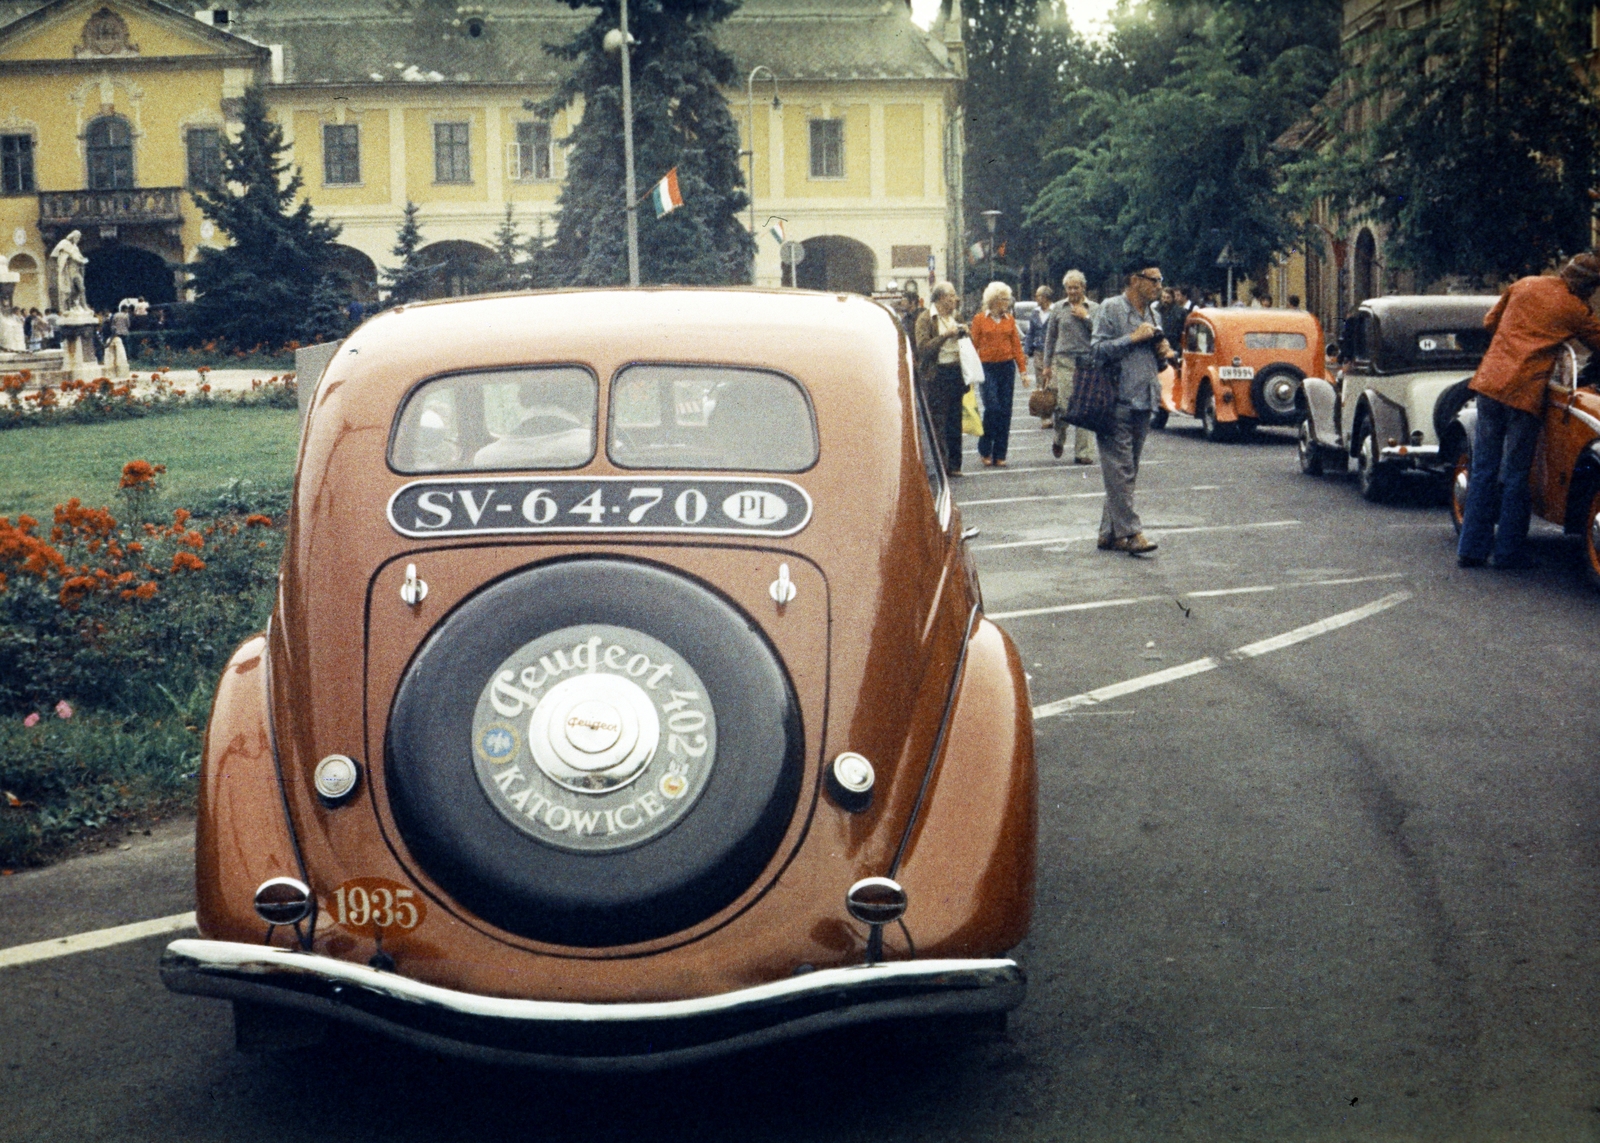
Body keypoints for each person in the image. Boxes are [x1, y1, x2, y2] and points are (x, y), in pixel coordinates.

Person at [1457, 252, 1600, 569]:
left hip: (1490, 383)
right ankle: (1508, 553)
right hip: (1524, 393)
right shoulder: (1576, 310)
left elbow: (1489, 321)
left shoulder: (1525, 285)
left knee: (1483, 468)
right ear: (1587, 287)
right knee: (1516, 474)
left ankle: (1471, 549)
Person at [1091, 260, 1174, 555]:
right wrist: (1132, 338)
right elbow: (1097, 351)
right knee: (1122, 470)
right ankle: (1131, 532)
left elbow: (1156, 359)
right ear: (1134, 280)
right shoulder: (1111, 308)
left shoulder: (1152, 313)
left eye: (1160, 280)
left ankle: (1108, 532)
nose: (1159, 286)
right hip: (1115, 400)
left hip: (1144, 399)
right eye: (1153, 280)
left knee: (1126, 472)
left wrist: (1163, 352)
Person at [1041, 269, 1098, 464]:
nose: (1073, 291)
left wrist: (1086, 318)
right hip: (1064, 362)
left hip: (1087, 362)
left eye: (1076, 287)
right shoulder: (1058, 308)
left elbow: (1100, 335)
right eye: (1069, 288)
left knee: (1085, 409)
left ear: (1083, 287)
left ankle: (1084, 452)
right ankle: (1059, 437)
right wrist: (1047, 365)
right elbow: (1050, 338)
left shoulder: (1094, 308)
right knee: (1065, 407)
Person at [913, 280, 968, 476]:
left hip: (956, 372)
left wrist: (965, 334)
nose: (955, 299)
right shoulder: (926, 319)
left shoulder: (957, 316)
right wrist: (945, 336)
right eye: (952, 295)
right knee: (938, 421)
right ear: (941, 298)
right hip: (936, 374)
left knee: (955, 419)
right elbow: (923, 348)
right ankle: (941, 465)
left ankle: (955, 464)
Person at [970, 281, 1026, 467]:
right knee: (992, 408)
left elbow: (1017, 347)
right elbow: (973, 346)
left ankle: (1000, 453)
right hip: (987, 368)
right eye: (1004, 299)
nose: (1007, 303)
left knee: (1005, 411)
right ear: (994, 300)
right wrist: (969, 372)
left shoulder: (1010, 320)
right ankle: (985, 448)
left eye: (1008, 299)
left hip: (1006, 367)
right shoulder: (979, 319)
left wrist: (1023, 371)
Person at [1026, 286, 1054, 423]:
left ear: (1045, 298)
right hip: (1038, 351)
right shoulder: (1035, 313)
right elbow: (1030, 333)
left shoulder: (1055, 312)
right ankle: (1045, 417)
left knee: (1053, 383)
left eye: (1038, 296)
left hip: (1053, 353)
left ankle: (1054, 412)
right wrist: (1026, 352)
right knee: (1040, 382)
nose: (1036, 298)